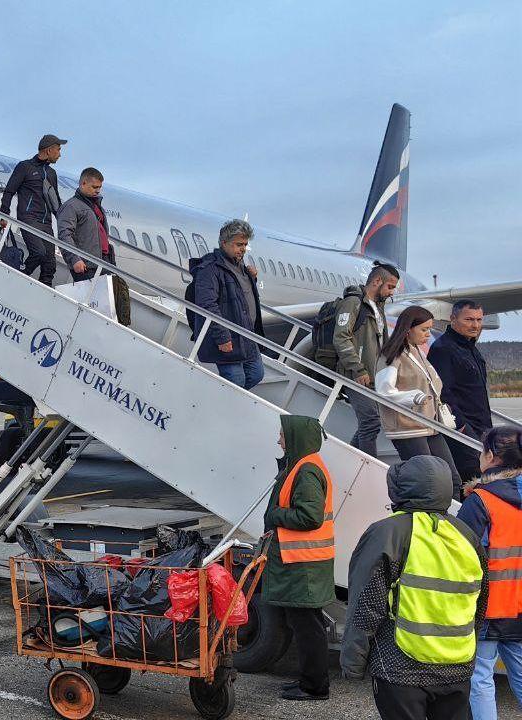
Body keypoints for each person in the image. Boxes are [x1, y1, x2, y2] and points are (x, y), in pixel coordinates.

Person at [341, 455, 488, 720]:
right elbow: (480, 601)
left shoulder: (388, 532)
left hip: (401, 666)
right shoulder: (466, 535)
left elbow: (366, 602)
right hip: (457, 665)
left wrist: (353, 661)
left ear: (401, 488)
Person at [264, 415, 335, 701]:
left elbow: (309, 516)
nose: (279, 440)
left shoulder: (306, 471)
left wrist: (275, 515)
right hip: (303, 561)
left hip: (303, 563)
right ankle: (309, 680)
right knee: (306, 625)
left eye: (282, 435)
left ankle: (314, 687)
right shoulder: (304, 466)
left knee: (308, 627)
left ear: (295, 438)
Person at [457, 427, 522, 720]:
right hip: (519, 606)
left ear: (492, 456)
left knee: (480, 677)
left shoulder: (481, 501)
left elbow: (463, 556)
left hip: (489, 605)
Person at [375, 305, 464, 498]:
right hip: (409, 428)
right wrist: (414, 397)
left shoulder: (416, 352)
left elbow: (432, 383)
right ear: (408, 329)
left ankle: (455, 515)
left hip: (429, 425)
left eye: (429, 329)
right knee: (429, 481)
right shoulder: (392, 354)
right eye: (424, 329)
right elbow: (383, 390)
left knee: (452, 479)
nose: (428, 334)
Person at [332, 261, 401, 457]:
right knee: (370, 421)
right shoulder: (353, 303)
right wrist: (358, 368)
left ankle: (351, 458)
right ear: (377, 281)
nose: (391, 293)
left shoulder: (377, 308)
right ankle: (368, 465)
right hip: (355, 374)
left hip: (373, 375)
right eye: (390, 287)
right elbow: (341, 337)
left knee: (370, 423)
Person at [188, 219, 265, 389]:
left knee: (256, 374)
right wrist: (222, 337)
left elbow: (241, 298)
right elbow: (207, 305)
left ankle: (226, 400)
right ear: (224, 243)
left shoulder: (242, 269)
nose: (243, 249)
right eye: (239, 244)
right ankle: (225, 402)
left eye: (245, 245)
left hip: (247, 336)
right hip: (228, 337)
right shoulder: (210, 269)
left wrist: (252, 279)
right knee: (236, 382)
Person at [428, 300, 493, 486]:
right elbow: (442, 393)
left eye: (479, 320)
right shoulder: (443, 349)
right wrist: (462, 426)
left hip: (482, 428)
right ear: (453, 319)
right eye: (469, 319)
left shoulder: (470, 348)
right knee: (470, 481)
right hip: (463, 431)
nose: (475, 325)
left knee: (482, 480)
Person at [56, 168, 129, 325]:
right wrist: (74, 259)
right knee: (95, 310)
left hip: (104, 262)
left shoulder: (96, 207)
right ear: (83, 183)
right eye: (94, 187)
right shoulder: (72, 206)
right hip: (86, 266)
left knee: (118, 300)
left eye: (99, 187)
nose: (98, 191)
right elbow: (64, 234)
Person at [0, 134, 66, 286]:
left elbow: (56, 201)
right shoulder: (25, 167)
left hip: (46, 223)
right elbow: (9, 191)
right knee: (38, 253)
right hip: (29, 219)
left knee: (50, 264)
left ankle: (44, 293)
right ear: (49, 150)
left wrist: (65, 222)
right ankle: (17, 277)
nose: (60, 154)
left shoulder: (52, 173)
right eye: (58, 150)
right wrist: (4, 215)